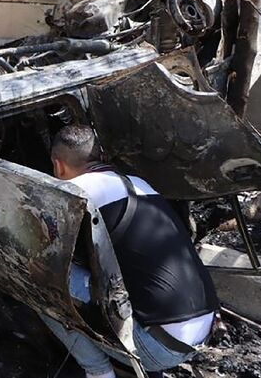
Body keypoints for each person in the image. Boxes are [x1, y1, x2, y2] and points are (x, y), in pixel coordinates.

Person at [45, 125, 219, 378]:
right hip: (201, 334)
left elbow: (47, 253)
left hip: (157, 349)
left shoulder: (74, 194)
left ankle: (98, 373)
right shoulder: (139, 184)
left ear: (58, 165)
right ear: (100, 157)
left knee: (40, 278)